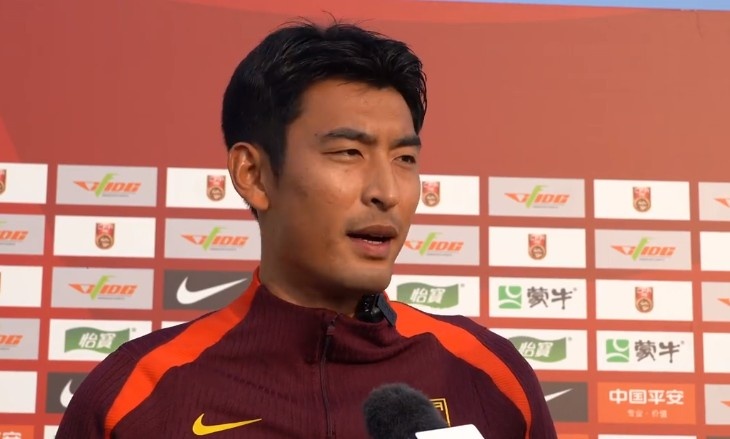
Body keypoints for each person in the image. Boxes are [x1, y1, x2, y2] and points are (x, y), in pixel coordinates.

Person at [57, 20, 557, 439]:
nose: (386, 191)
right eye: (349, 153)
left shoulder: (489, 374)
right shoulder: (135, 396)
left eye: (405, 159)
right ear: (254, 175)